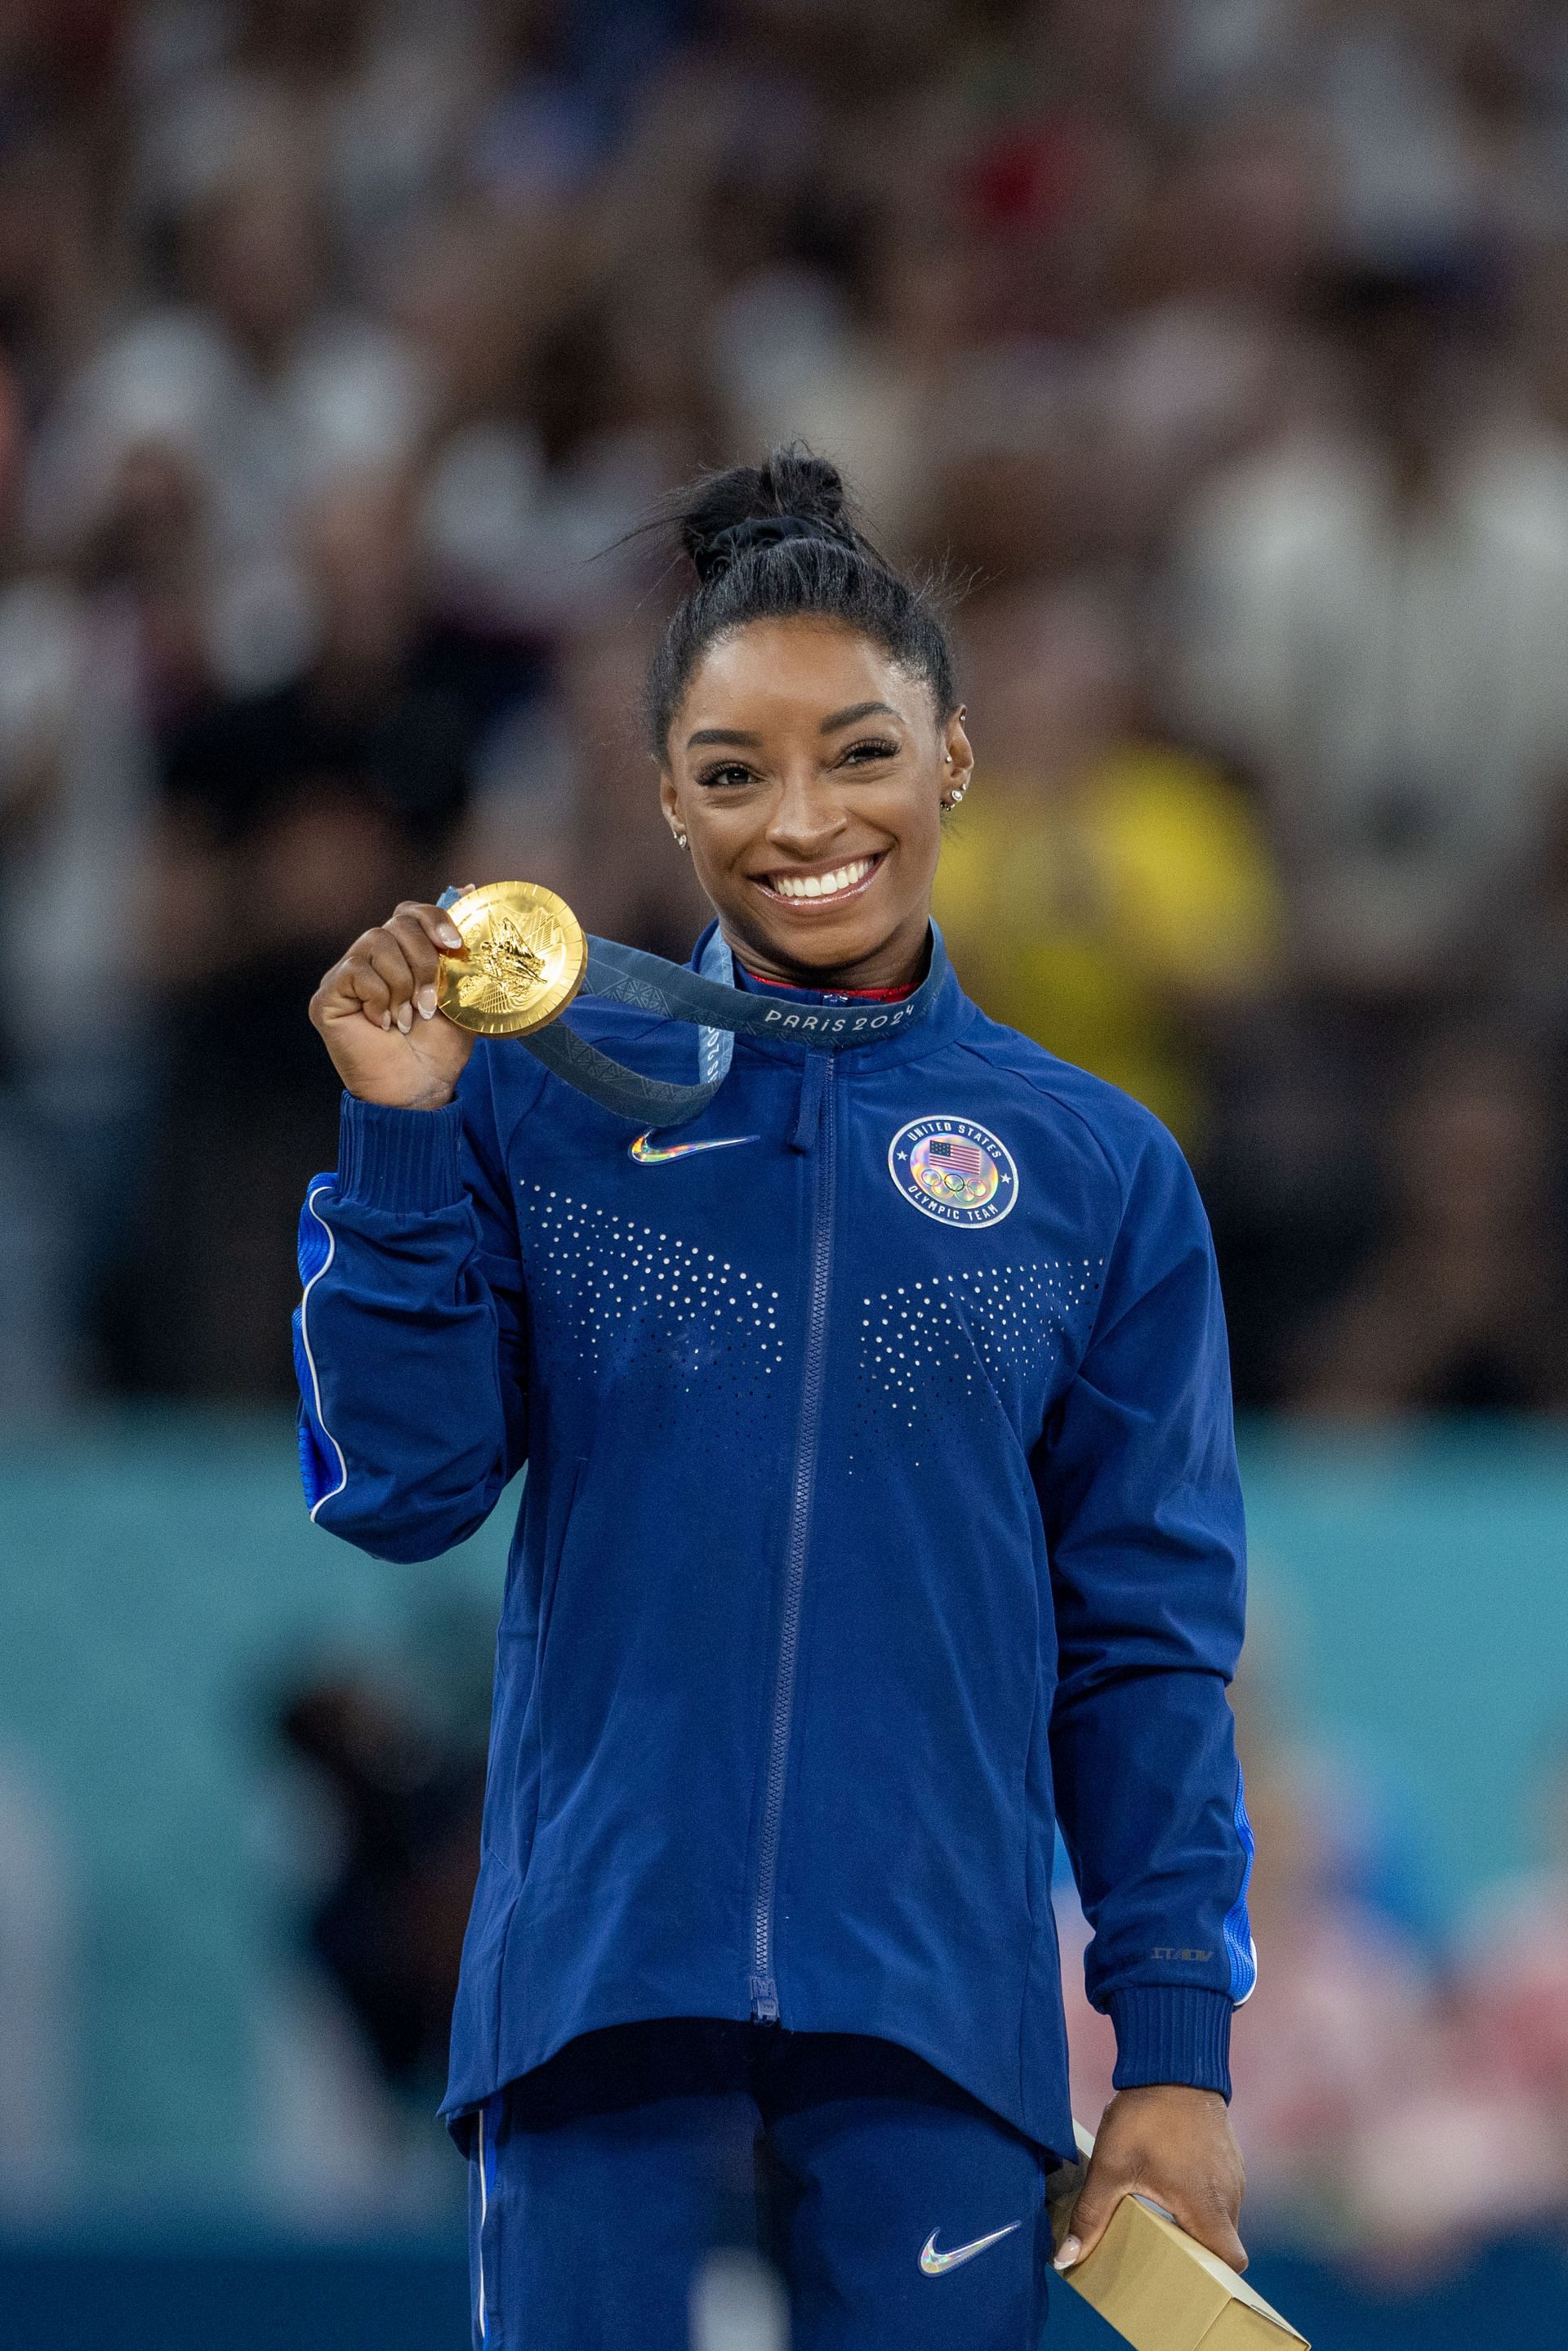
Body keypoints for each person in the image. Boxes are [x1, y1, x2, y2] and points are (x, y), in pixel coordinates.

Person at [293, 448, 1254, 2349]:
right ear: (664, 793)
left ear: (957, 757)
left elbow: (1144, 1648)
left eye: (863, 753)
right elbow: (398, 1485)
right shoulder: (538, 1088)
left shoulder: (1097, 1168)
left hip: (936, 2026)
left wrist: (1175, 2053)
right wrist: (396, 1144)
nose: (802, 819)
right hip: (594, 2001)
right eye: (734, 770)